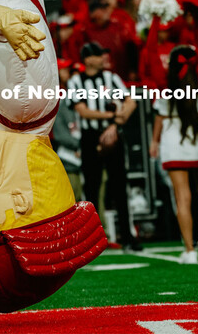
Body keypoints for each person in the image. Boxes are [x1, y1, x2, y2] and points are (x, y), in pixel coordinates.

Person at [150, 45, 198, 264]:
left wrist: (154, 141)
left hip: (173, 144)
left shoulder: (166, 84)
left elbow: (160, 117)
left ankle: (190, 249)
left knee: (182, 197)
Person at [67, 42, 141, 251]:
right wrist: (112, 116)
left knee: (120, 186)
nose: (102, 59)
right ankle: (94, 240)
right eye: (99, 56)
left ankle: (128, 236)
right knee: (92, 187)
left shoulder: (112, 78)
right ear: (88, 59)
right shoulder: (76, 81)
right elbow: (83, 111)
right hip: (91, 137)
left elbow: (131, 102)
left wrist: (115, 124)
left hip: (113, 134)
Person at [53, 59, 82, 202]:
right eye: (63, 70)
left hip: (79, 152)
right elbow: (59, 131)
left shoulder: (74, 92)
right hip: (63, 152)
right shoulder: (55, 93)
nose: (68, 74)